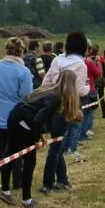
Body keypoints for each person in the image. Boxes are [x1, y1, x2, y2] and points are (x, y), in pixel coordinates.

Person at [0, 71, 83, 208]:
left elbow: (36, 113)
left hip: (14, 116)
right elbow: (38, 120)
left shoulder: (48, 88)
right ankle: (27, 200)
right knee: (29, 161)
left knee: (11, 154)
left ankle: (5, 191)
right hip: (24, 123)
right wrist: (36, 137)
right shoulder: (56, 98)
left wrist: (40, 134)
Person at [0, 38, 34, 189]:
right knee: (16, 149)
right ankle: (17, 183)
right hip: (15, 115)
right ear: (21, 51)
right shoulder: (23, 71)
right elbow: (27, 96)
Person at [41, 31, 90, 160]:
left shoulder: (57, 59)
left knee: (56, 144)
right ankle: (71, 151)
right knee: (68, 135)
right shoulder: (81, 64)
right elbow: (80, 90)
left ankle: (61, 169)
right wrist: (88, 87)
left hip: (54, 104)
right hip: (71, 104)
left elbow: (45, 82)